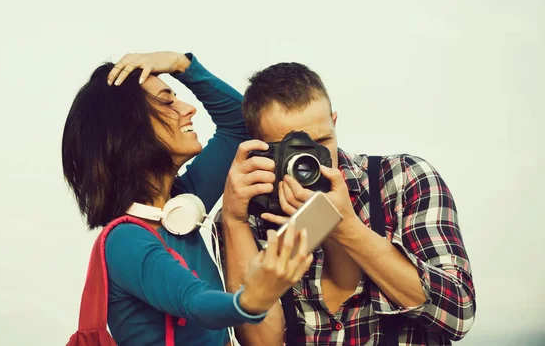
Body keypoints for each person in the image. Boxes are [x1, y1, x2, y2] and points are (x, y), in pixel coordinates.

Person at [61, 52, 313, 346]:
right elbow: (194, 301)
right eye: (168, 101)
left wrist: (182, 64)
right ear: (129, 129)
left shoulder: (181, 204)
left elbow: (241, 124)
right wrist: (252, 299)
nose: (189, 109)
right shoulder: (125, 240)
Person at [219, 62, 476, 345]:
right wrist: (234, 221)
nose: (311, 159)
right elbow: (261, 342)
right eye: (291, 149)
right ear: (259, 147)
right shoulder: (252, 215)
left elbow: (458, 313)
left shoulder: (403, 180)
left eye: (322, 140)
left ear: (334, 122)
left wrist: (343, 226)